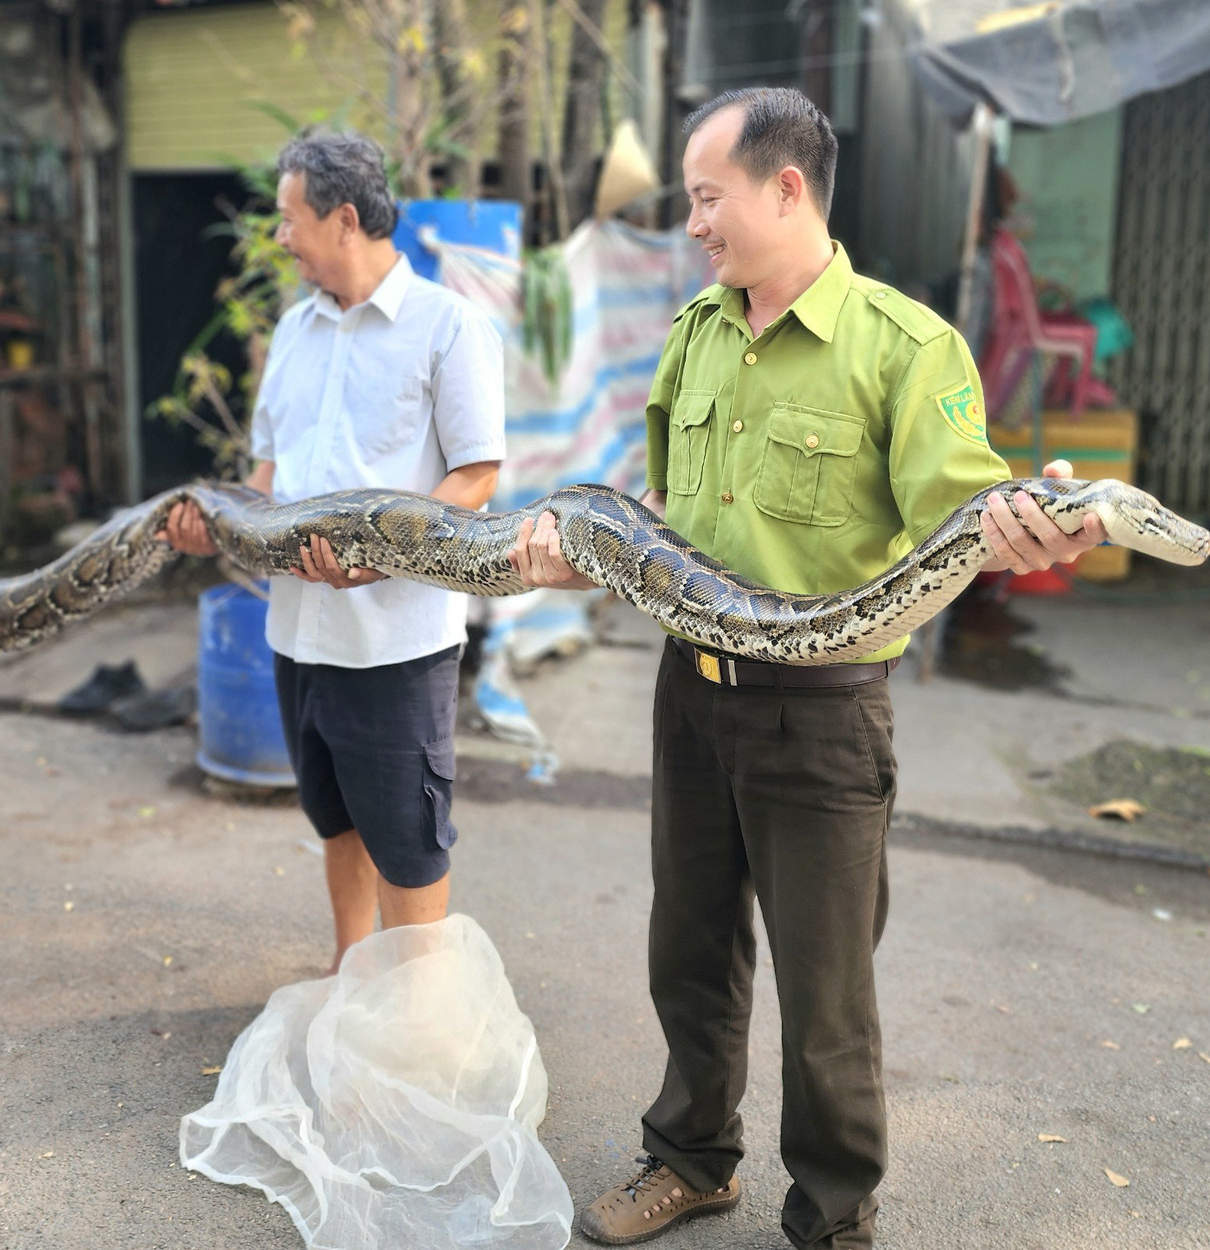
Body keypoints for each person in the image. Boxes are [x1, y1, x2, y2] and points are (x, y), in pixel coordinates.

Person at [512, 88, 1106, 1248]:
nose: (691, 223)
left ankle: (833, 1211)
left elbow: (967, 506)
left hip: (823, 714)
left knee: (824, 989)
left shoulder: (903, 346)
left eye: (704, 197)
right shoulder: (694, 333)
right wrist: (560, 548)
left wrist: (1039, 521)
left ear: (785, 189)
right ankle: (689, 1158)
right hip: (691, 693)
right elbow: (664, 532)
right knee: (686, 948)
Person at [159, 129, 506, 974]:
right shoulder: (294, 331)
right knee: (337, 815)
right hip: (297, 630)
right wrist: (221, 519)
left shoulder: (448, 327)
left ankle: (420, 1014)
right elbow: (266, 473)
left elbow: (477, 478)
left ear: (343, 218)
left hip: (394, 639)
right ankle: (354, 976)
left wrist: (378, 559)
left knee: (409, 838)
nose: (281, 236)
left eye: (289, 218)